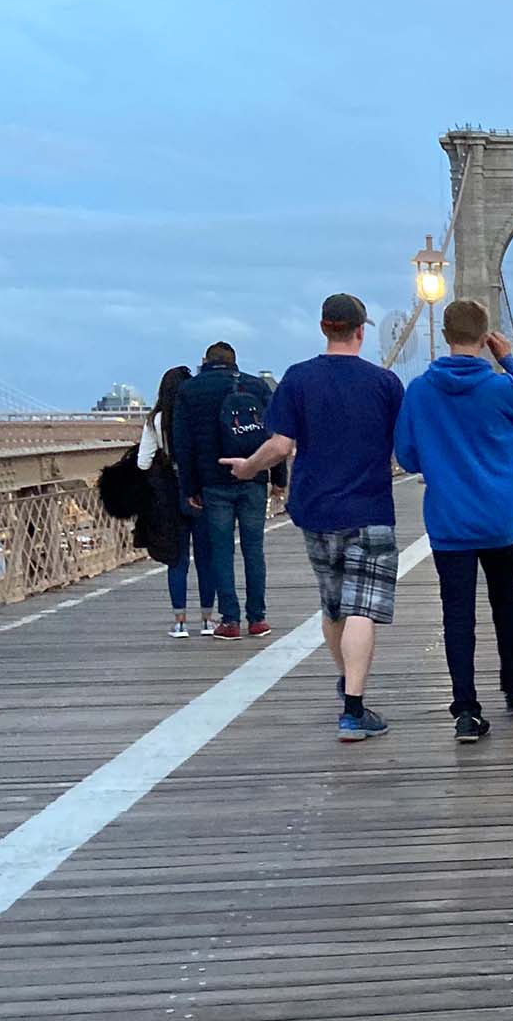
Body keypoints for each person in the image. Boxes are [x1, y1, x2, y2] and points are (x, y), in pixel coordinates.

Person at [222, 295, 405, 741]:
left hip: (315, 510)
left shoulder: (298, 378)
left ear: (324, 327)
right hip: (370, 509)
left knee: (335, 604)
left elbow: (281, 446)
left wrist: (248, 467)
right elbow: (404, 446)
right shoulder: (385, 383)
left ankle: (349, 690)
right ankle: (354, 709)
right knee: (362, 608)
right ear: (360, 330)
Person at [393, 300, 513, 743]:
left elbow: (407, 455)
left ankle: (466, 710)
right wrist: (510, 360)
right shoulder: (500, 388)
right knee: (506, 603)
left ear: (446, 334)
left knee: (457, 616)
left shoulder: (420, 392)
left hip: (450, 521)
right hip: (500, 518)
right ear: (486, 336)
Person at [172, 340, 286, 641]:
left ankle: (230, 621)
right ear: (235, 362)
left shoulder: (190, 390)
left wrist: (190, 488)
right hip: (253, 477)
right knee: (253, 548)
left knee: (221, 551)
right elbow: (277, 436)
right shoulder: (256, 386)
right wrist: (278, 477)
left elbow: (182, 446)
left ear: (205, 361)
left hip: (214, 482)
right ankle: (258, 618)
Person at [139, 364, 214, 638]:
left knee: (177, 560)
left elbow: (142, 462)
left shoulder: (155, 421)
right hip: (200, 491)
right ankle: (207, 620)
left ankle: (180, 622)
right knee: (206, 559)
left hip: (170, 496)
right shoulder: (197, 415)